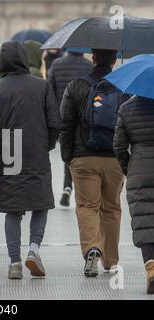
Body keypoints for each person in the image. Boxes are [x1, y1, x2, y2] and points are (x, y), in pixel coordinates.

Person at [0, 41, 61, 279]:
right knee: (41, 205)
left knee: (13, 210)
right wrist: (45, 145)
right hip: (37, 152)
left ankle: (15, 262)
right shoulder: (42, 86)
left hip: (9, 156)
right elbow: (55, 122)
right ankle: (34, 249)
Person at [59, 49, 124, 277]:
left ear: (93, 58)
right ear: (114, 61)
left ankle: (91, 249)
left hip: (84, 156)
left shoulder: (76, 86)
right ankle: (111, 260)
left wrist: (68, 156)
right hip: (114, 157)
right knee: (112, 208)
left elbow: (66, 123)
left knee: (88, 206)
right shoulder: (123, 87)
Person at [113, 95, 154, 294]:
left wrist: (128, 168)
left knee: (144, 220)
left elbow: (119, 146)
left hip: (139, 170)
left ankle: (151, 265)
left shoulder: (127, 108)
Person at [48, 52, 93, 206]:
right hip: (83, 116)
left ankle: (67, 186)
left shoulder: (57, 64)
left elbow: (50, 92)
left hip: (63, 115)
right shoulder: (88, 65)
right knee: (79, 150)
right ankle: (75, 186)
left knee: (67, 149)